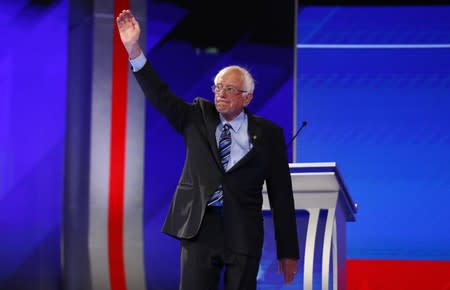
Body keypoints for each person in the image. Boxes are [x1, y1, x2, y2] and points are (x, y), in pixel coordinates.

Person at [116, 9, 299, 290]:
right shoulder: (196, 118)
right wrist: (134, 50)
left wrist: (288, 251)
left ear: (247, 97)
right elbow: (160, 94)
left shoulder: (270, 135)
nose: (220, 94)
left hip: (243, 231)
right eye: (217, 87)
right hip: (199, 226)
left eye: (229, 89)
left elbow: (281, 196)